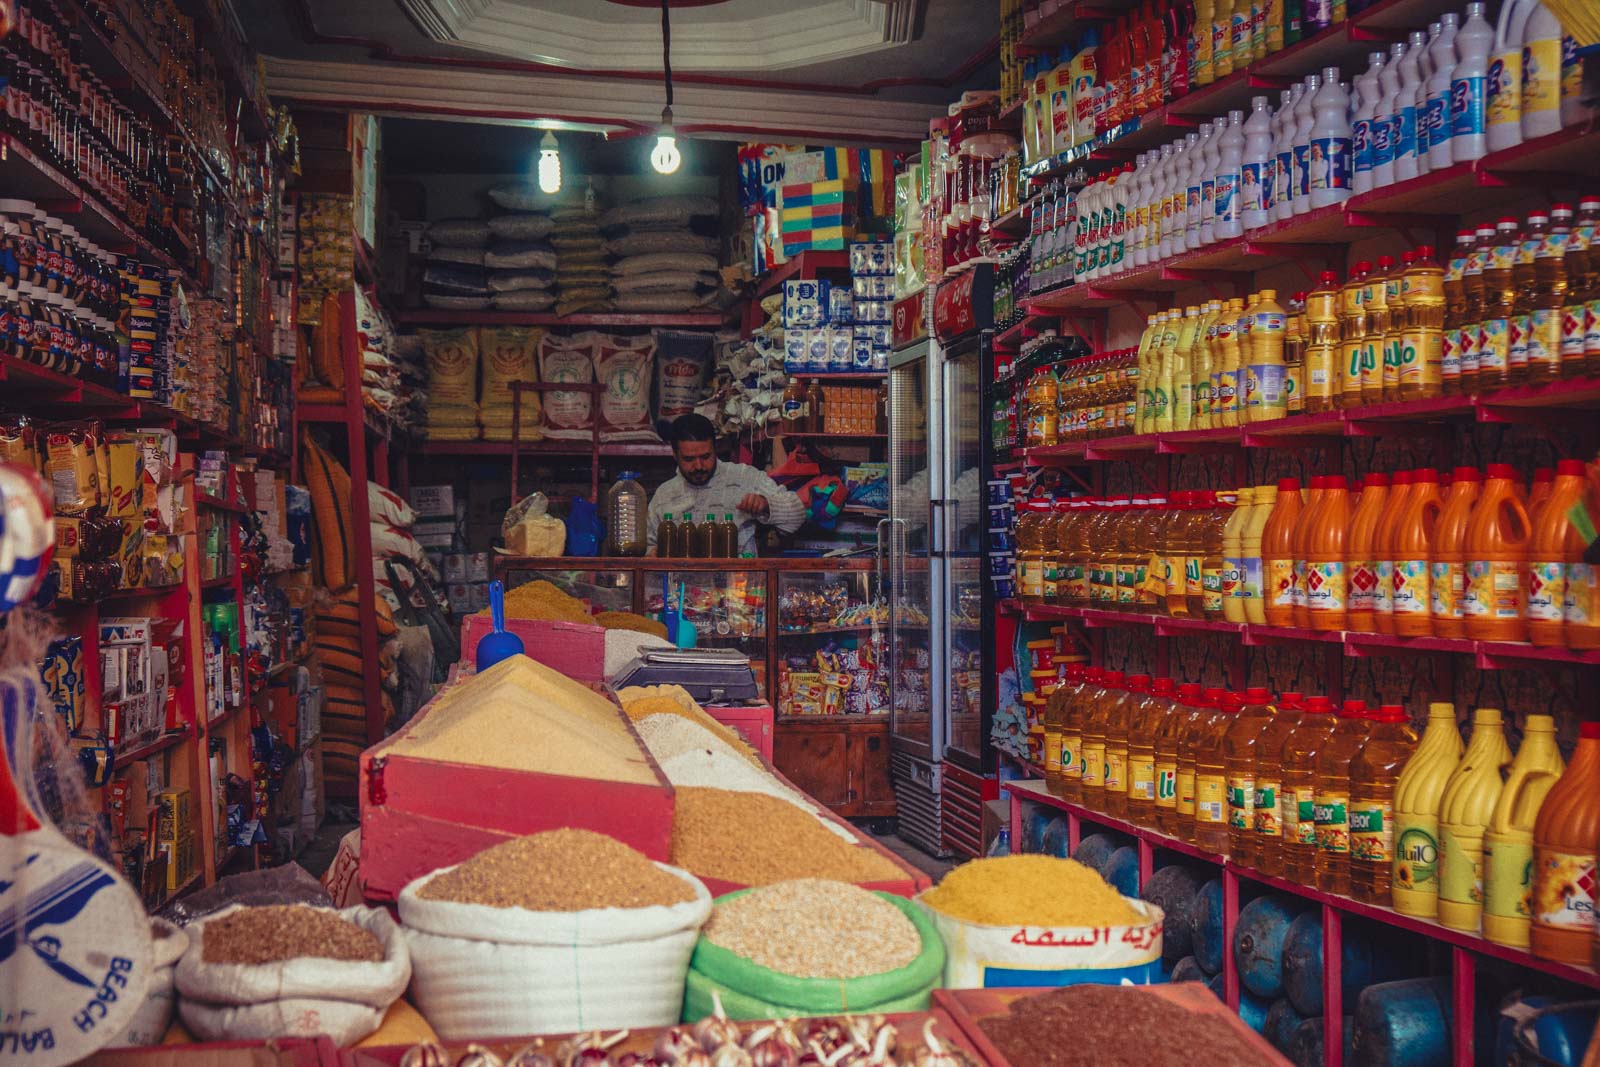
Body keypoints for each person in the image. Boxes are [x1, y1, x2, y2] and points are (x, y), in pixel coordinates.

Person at [647, 413, 804, 556]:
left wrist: (767, 505)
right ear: (675, 455)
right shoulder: (664, 496)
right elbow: (649, 546)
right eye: (689, 459)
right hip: (681, 585)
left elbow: (797, 515)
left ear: (715, 449)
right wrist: (652, 553)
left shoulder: (744, 477)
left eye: (706, 456)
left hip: (740, 584)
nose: (699, 466)